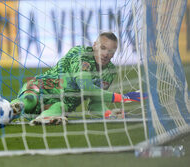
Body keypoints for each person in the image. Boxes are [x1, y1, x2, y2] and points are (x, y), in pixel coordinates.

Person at [10, 32, 147, 125]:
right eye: (103, 48)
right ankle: (12, 108)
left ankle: (45, 118)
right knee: (30, 100)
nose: (105, 54)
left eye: (111, 51)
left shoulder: (109, 72)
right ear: (94, 45)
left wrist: (109, 114)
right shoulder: (82, 56)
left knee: (61, 107)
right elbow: (87, 87)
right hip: (41, 87)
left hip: (59, 103)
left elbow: (95, 104)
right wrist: (122, 98)